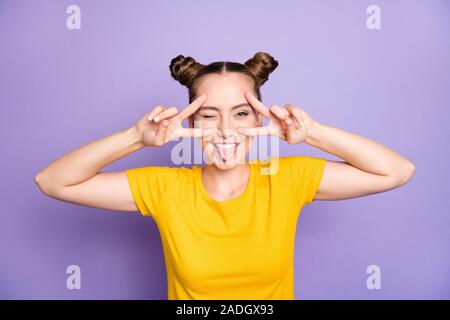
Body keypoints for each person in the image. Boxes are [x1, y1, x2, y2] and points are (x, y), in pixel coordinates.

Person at [34, 52, 415, 300]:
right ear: (189, 121)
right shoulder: (164, 188)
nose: (225, 131)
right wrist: (135, 138)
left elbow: (397, 171)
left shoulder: (287, 179)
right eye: (209, 115)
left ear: (260, 118)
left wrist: (312, 134)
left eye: (240, 113)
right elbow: (52, 181)